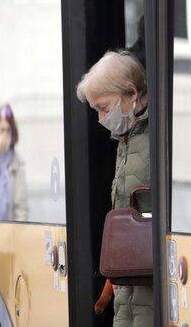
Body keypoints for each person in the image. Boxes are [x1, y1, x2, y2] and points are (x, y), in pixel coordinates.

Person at [76, 50, 152, 327]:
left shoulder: (156, 135)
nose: (100, 118)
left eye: (104, 108)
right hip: (128, 281)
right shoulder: (126, 138)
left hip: (148, 282)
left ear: (131, 93)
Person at [0, 104, 28, 221]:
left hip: (8, 228)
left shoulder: (17, 164)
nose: (4, 134)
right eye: (1, 130)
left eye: (8, 130)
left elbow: (21, 207)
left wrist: (17, 229)